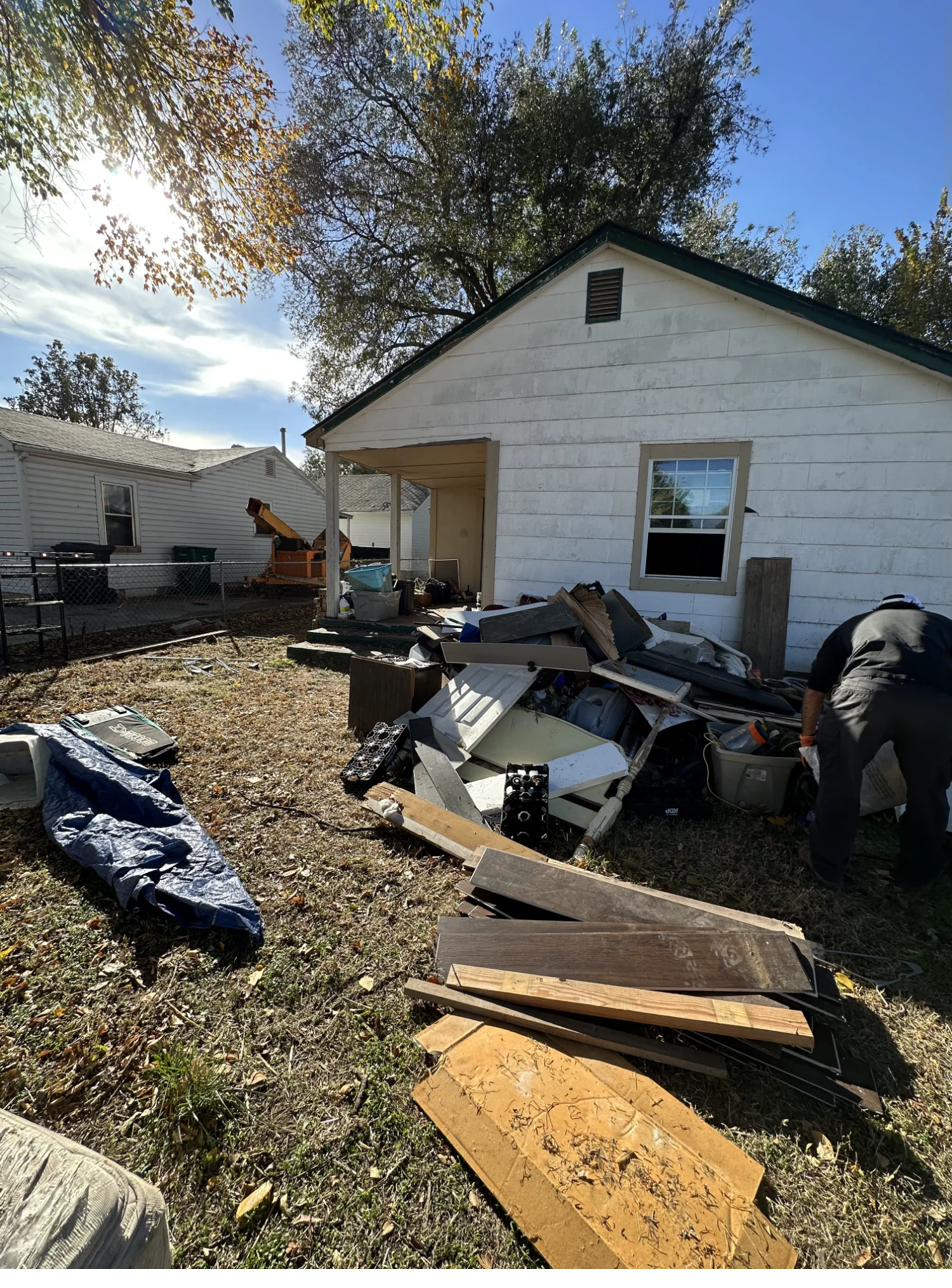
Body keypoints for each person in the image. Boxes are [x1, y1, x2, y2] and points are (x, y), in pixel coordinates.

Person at [801, 593, 952, 891]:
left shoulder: (856, 623)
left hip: (863, 695)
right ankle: (916, 876)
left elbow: (816, 690)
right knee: (929, 791)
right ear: (919, 610)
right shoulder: (944, 626)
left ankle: (827, 868)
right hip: (934, 705)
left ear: (880, 609)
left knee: (839, 783)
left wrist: (807, 739)